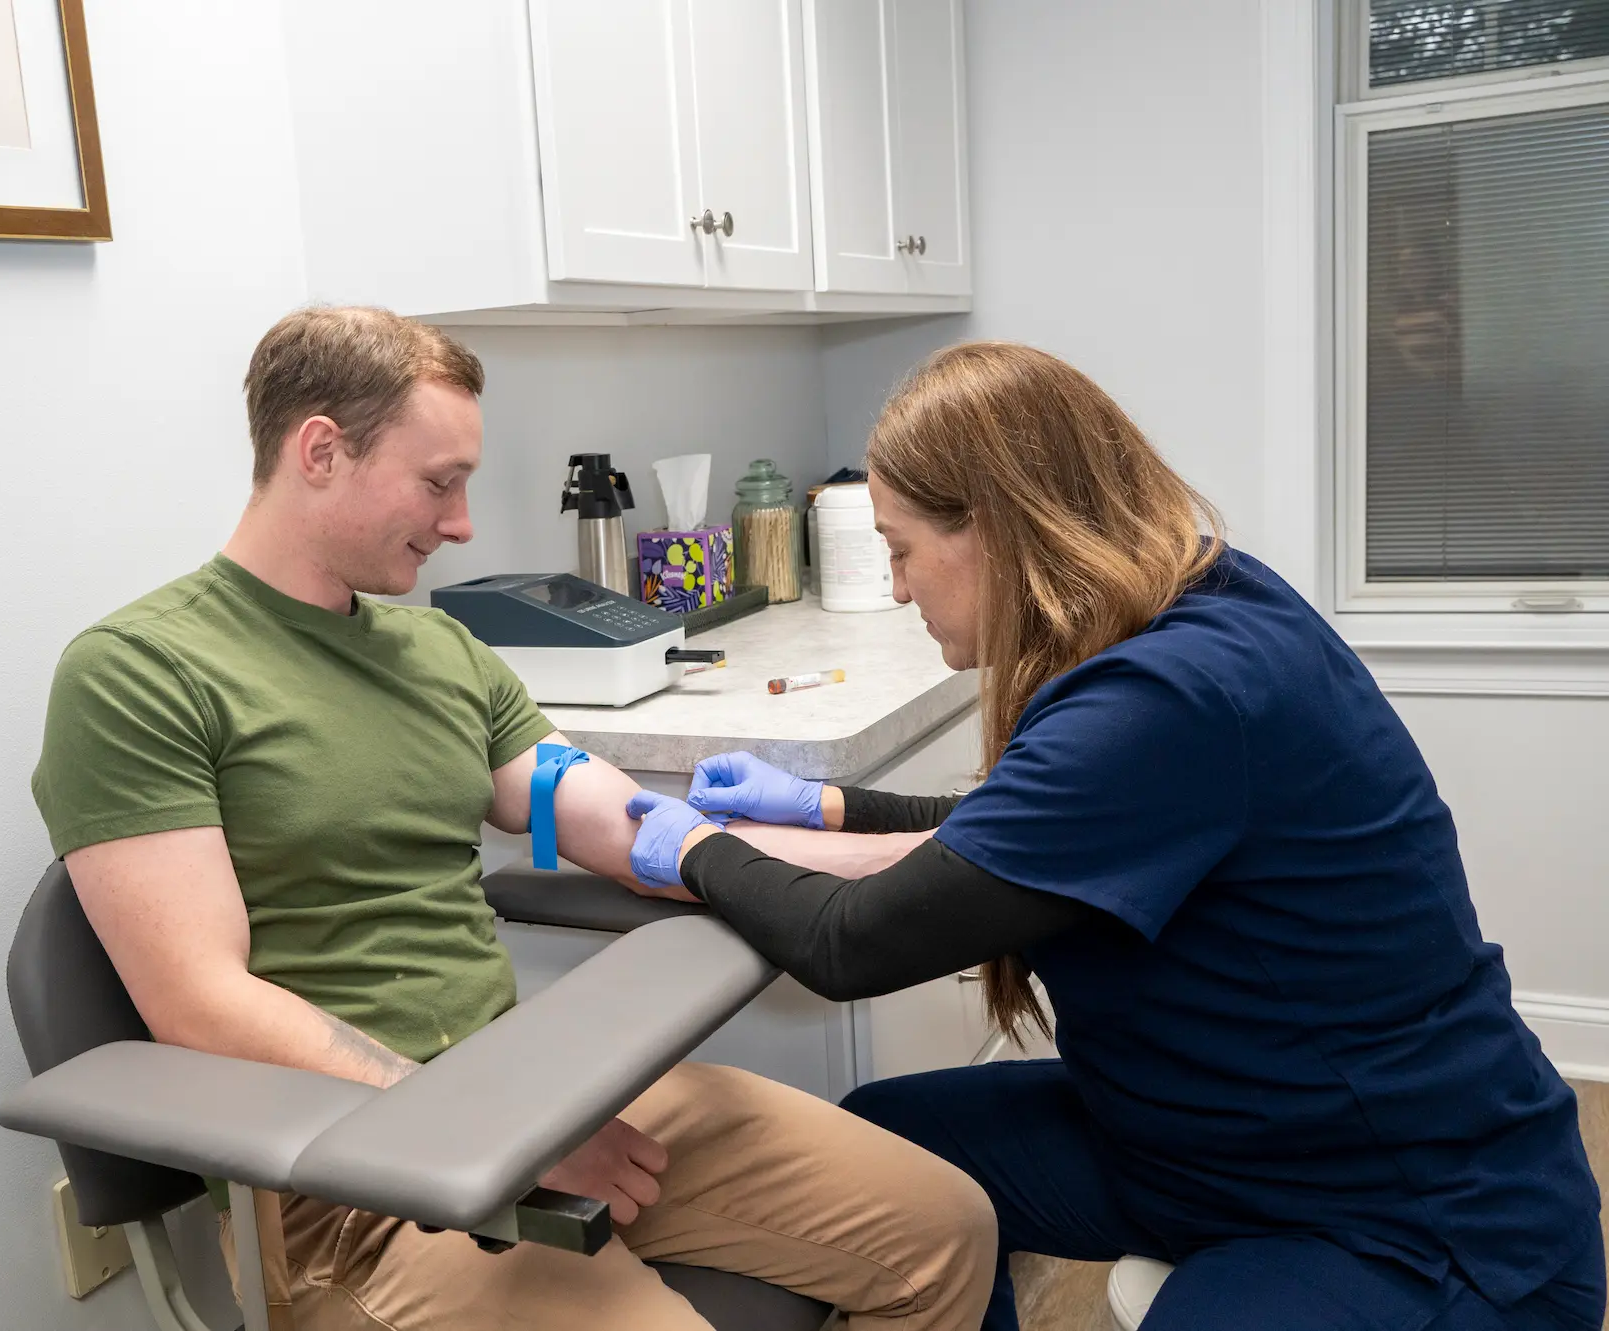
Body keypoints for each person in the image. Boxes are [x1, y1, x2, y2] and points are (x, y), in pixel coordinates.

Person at [29, 305, 998, 1330]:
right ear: (319, 450)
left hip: (530, 1097)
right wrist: (485, 1127)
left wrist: (912, 847)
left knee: (944, 1227)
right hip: (344, 1181)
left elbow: (625, 826)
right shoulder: (140, 674)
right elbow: (200, 1003)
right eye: (437, 482)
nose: (460, 524)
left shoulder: (438, 653)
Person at [622, 342, 1606, 1331]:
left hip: (1411, 1220)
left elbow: (854, 940)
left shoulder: (1169, 695)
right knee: (889, 1162)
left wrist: (691, 848)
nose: (895, 586)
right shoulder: (1187, 600)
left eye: (901, 546)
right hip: (1214, 1145)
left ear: (996, 528)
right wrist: (831, 808)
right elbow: (1038, 837)